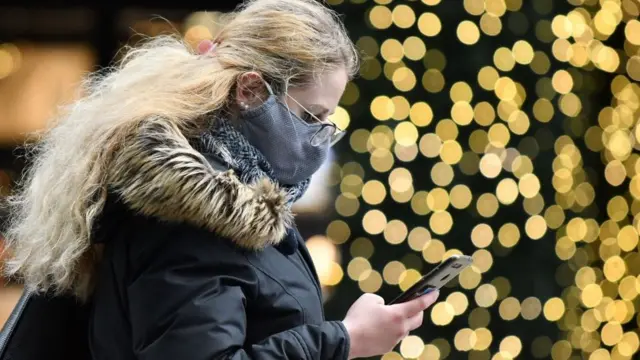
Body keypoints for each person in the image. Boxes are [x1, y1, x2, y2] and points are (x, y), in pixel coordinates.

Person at [2, 0, 439, 359]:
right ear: (250, 90)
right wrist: (344, 340)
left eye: (328, 121)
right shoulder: (192, 211)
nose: (319, 139)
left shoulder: (235, 191)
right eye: (311, 116)